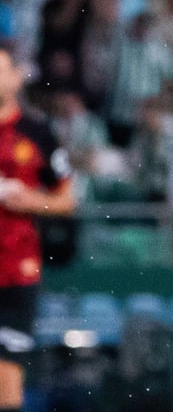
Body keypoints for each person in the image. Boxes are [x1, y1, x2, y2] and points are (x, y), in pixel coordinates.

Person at [0, 42, 76, 411]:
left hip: (17, 270)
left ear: (17, 77)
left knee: (7, 376)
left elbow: (67, 200)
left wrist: (30, 201)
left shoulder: (37, 131)